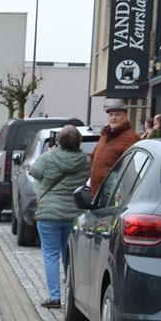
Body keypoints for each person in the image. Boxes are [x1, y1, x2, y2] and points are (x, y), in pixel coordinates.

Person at [27, 124, 92, 309]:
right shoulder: (85, 161)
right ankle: (73, 294)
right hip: (74, 213)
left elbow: (34, 171)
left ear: (58, 141)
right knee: (69, 253)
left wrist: (49, 153)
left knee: (51, 254)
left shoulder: (48, 157)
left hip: (49, 212)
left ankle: (55, 297)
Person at [90, 103, 139, 194]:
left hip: (112, 192)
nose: (113, 118)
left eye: (117, 115)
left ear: (125, 117)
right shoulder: (104, 135)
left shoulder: (131, 137)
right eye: (111, 115)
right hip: (95, 191)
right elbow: (93, 157)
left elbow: (130, 169)